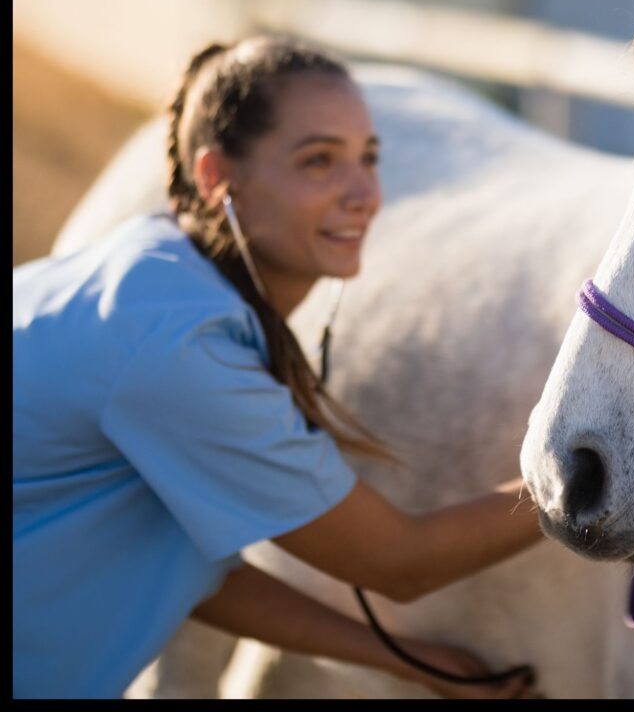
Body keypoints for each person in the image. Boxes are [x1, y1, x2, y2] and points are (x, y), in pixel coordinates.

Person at [13, 36, 546, 700]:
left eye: (369, 158)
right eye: (319, 161)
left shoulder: (155, 275)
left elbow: (190, 575)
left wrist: (407, 659)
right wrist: (587, 468)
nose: (365, 194)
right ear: (216, 179)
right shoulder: (176, 348)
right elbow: (399, 562)